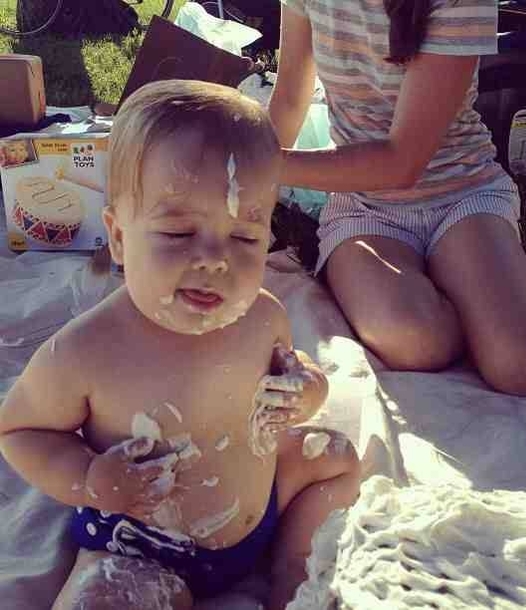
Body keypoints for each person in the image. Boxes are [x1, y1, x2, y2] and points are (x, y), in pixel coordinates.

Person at [0, 80, 361, 610]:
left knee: (337, 457)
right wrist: (88, 479)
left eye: (244, 237)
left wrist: (306, 388)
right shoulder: (88, 350)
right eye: (177, 234)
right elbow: (19, 429)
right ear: (119, 238)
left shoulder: (263, 315)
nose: (215, 260)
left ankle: (291, 565)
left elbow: (294, 368)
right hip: (142, 544)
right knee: (102, 600)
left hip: (258, 509)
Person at [268, 0, 526, 396]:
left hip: (461, 193)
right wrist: (251, 204)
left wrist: (261, 164)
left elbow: (402, 161)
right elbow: (290, 98)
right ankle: (494, 291)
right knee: (416, 343)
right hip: (363, 205)